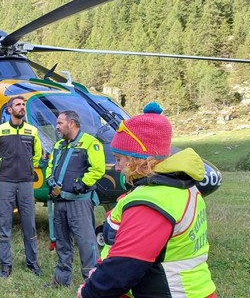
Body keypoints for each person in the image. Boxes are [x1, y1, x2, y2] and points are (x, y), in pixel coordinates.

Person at [78, 102, 217, 298]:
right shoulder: (183, 187)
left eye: (119, 159)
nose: (116, 167)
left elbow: (124, 267)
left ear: (139, 159)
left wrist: (89, 291)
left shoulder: (151, 202)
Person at [44, 111, 105, 287]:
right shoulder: (58, 145)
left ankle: (91, 282)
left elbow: (98, 169)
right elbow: (50, 166)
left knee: (86, 242)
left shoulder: (90, 143)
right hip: (60, 202)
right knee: (62, 242)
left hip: (79, 202)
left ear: (71, 123)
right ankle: (61, 280)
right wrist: (50, 180)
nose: (57, 127)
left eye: (60, 123)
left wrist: (83, 183)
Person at [0, 96, 42, 278]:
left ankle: (33, 263)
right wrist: (1, 170)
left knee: (29, 224)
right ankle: (5, 265)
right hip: (6, 182)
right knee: (4, 224)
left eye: (23, 105)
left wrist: (27, 168)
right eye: (18, 105)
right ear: (9, 110)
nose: (22, 107)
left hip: (26, 182)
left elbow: (37, 155)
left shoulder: (32, 131)